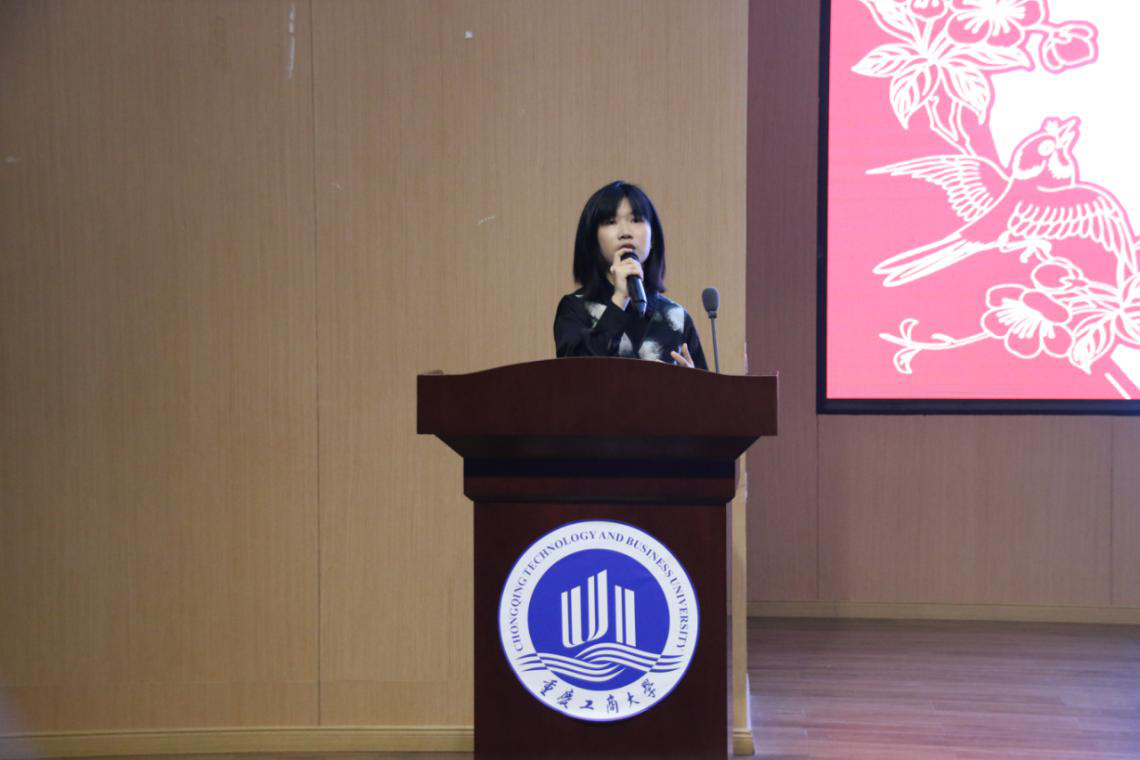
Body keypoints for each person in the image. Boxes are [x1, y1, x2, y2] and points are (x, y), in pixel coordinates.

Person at [553, 181, 708, 370]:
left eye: (636, 220)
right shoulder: (575, 309)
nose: (625, 233)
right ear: (593, 239)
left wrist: (692, 382)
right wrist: (620, 298)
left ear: (653, 238)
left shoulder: (676, 318)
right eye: (611, 222)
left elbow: (706, 389)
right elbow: (574, 375)